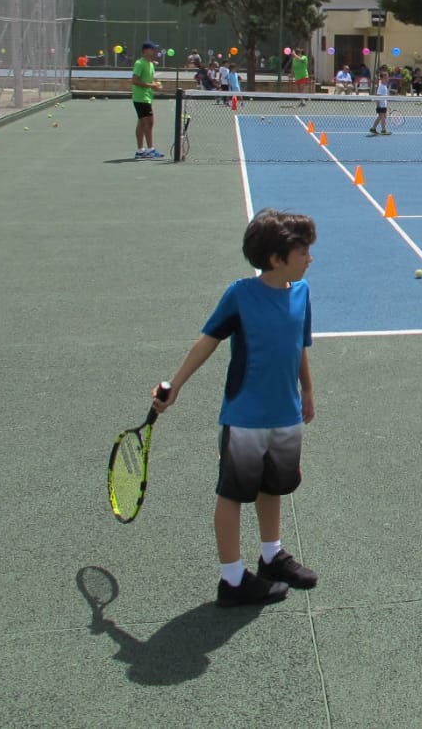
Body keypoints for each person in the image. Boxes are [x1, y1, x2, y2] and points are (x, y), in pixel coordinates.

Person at [151, 208, 318, 607]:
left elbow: (299, 345)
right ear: (276, 258)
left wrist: (308, 390)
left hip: (286, 413)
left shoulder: (302, 293)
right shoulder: (240, 296)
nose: (310, 258)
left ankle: (271, 556)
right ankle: (231, 579)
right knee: (232, 493)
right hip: (245, 417)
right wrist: (175, 385)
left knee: (273, 486)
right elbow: (207, 341)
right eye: (303, 252)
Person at [131, 41, 164, 159]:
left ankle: (140, 151)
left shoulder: (150, 64)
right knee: (149, 123)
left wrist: (156, 84)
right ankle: (150, 150)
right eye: (152, 49)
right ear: (145, 51)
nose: (155, 51)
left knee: (141, 123)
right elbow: (135, 80)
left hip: (146, 97)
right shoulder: (140, 63)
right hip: (141, 98)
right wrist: (152, 86)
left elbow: (149, 79)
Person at [370, 68, 391, 135]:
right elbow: (378, 96)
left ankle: (373, 128)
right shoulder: (381, 86)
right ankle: (383, 130)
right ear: (382, 79)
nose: (387, 79)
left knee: (380, 117)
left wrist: (387, 105)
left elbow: (385, 97)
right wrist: (378, 105)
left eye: (387, 78)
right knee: (383, 118)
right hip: (381, 106)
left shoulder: (384, 86)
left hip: (383, 105)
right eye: (386, 78)